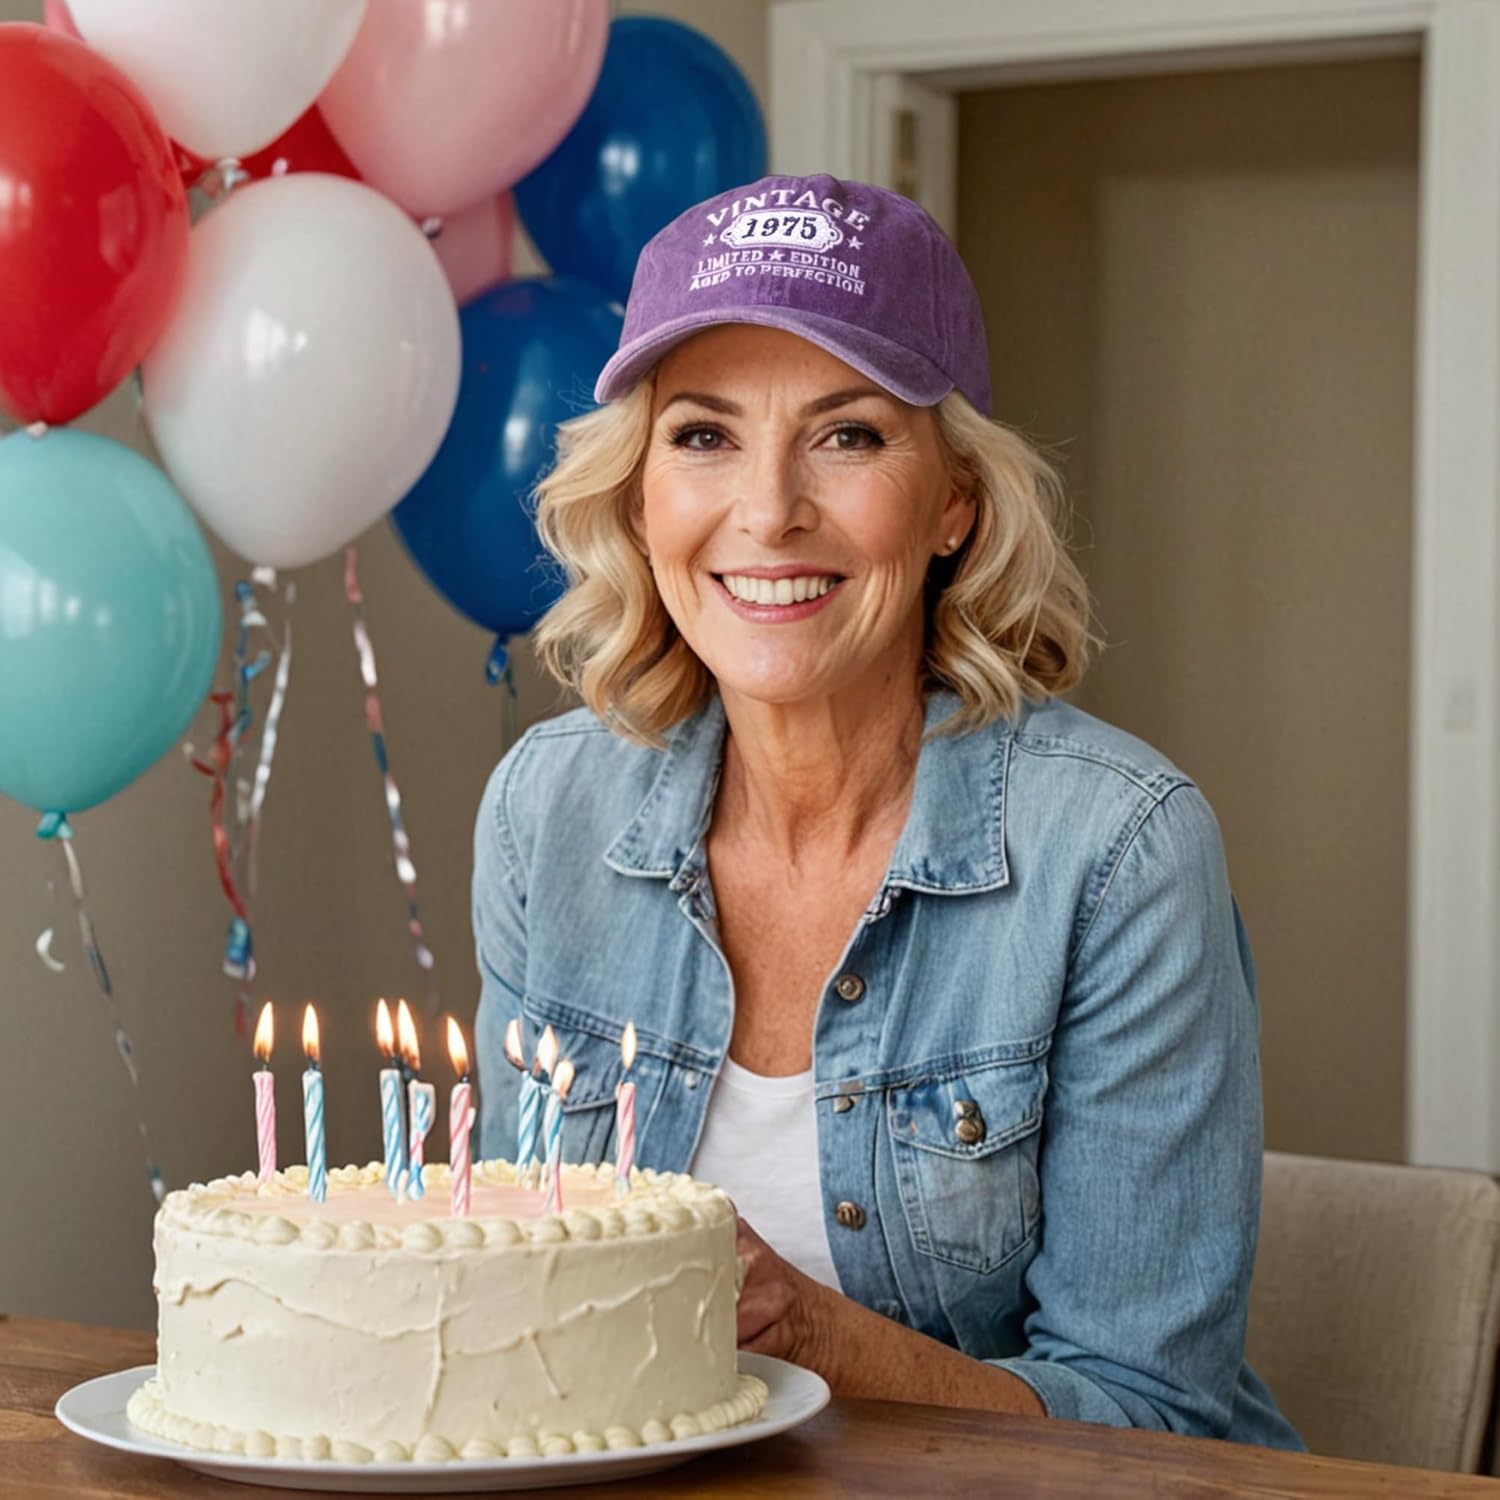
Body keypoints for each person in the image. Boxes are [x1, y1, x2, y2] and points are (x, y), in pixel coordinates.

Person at [472, 172, 1302, 1447]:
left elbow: (1151, 1423)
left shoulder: (1118, 850)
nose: (767, 511)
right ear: (641, 499)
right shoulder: (547, 810)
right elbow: (514, 1300)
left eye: (847, 434)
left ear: (953, 503)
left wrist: (807, 1333)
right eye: (702, 437)